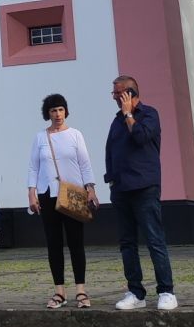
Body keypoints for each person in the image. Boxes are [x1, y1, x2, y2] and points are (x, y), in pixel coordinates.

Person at [104, 74, 177, 311]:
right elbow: (111, 151)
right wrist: (111, 181)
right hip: (121, 189)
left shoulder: (149, 115)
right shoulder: (116, 121)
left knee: (154, 240)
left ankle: (166, 291)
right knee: (127, 243)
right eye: (114, 93)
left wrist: (128, 114)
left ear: (130, 94)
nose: (114, 97)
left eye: (117, 93)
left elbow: (140, 137)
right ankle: (135, 292)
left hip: (145, 188)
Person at [26, 93, 99, 309]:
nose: (58, 114)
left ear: (66, 111)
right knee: (54, 244)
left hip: (73, 194)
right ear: (47, 114)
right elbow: (33, 166)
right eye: (53, 110)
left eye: (60, 109)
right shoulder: (40, 137)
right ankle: (59, 291)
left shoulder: (75, 135)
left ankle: (81, 290)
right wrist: (31, 192)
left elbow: (85, 164)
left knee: (76, 242)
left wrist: (91, 188)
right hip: (48, 195)